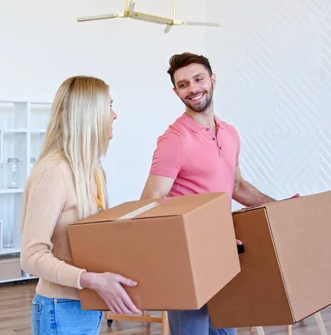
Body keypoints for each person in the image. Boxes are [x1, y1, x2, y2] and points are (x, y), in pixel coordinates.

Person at [140, 52, 298, 335]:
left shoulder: (230, 133)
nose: (193, 89)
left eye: (198, 79)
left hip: (225, 251)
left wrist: (279, 207)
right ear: (176, 92)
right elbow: (150, 203)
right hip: (189, 256)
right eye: (183, 84)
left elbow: (236, 186)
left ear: (212, 80)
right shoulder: (174, 140)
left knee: (226, 330)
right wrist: (198, 233)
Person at [20, 75, 142, 335]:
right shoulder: (54, 172)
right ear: (89, 115)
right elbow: (31, 257)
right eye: (109, 106)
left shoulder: (95, 171)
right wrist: (91, 280)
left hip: (89, 304)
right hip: (60, 308)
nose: (115, 115)